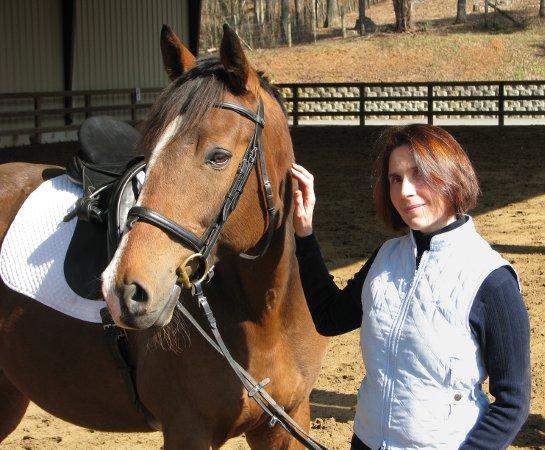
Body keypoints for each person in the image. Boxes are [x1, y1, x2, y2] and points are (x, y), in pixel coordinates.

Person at [291, 124, 531, 450]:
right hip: (367, 441)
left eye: (419, 175)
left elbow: (512, 403)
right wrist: (304, 234)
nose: (405, 191)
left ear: (450, 176)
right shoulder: (385, 258)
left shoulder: (492, 281)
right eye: (395, 178)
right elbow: (330, 318)